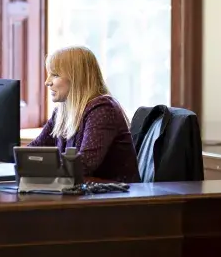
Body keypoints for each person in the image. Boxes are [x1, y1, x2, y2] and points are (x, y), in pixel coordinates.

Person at [28, 45, 141, 183]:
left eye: (55, 75)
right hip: (86, 194)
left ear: (76, 78)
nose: (47, 82)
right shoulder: (61, 112)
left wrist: (38, 166)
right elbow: (33, 150)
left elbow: (84, 164)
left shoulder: (102, 109)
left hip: (115, 197)